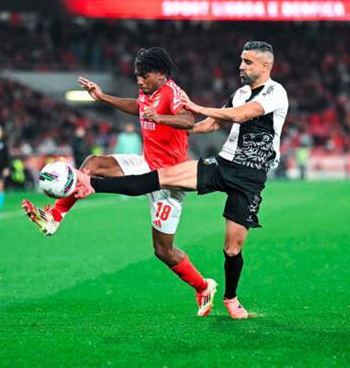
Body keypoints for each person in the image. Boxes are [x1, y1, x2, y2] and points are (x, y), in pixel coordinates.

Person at [73, 41, 288, 319]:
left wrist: (195, 106)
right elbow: (215, 124)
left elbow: (241, 115)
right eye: (241, 60)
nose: (241, 66)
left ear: (266, 66)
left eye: (248, 62)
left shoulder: (275, 92)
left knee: (232, 248)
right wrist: (187, 129)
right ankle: (93, 185)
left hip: (249, 178)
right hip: (223, 165)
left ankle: (231, 299)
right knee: (159, 178)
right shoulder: (240, 92)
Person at [22, 47, 217, 317]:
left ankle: (203, 286)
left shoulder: (172, 93)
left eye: (144, 75)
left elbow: (187, 119)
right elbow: (136, 107)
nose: (139, 80)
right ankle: (55, 216)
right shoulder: (147, 91)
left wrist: (160, 118)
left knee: (163, 250)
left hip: (169, 178)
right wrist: (102, 97)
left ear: (160, 74)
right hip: (145, 162)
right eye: (137, 75)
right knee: (92, 164)